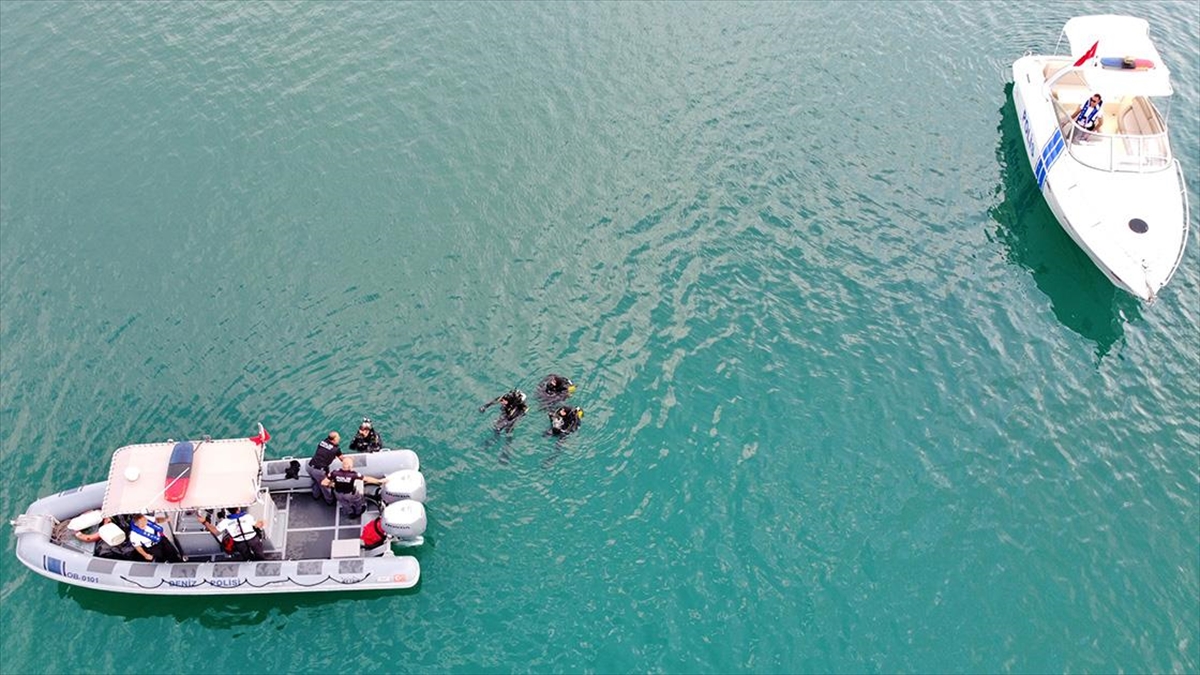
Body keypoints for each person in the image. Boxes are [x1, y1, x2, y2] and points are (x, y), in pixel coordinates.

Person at [197, 507, 265, 561]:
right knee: (260, 556)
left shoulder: (225, 522)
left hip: (240, 542)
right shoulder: (247, 517)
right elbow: (258, 525)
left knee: (248, 558)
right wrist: (262, 522)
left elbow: (215, 531)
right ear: (238, 509)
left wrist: (204, 522)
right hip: (253, 539)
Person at [307, 431, 342, 504]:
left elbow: (325, 451)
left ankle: (316, 496)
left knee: (316, 482)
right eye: (338, 437)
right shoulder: (336, 449)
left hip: (310, 466)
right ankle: (329, 501)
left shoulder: (322, 442)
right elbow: (342, 459)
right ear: (333, 440)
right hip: (319, 471)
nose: (339, 438)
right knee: (325, 486)